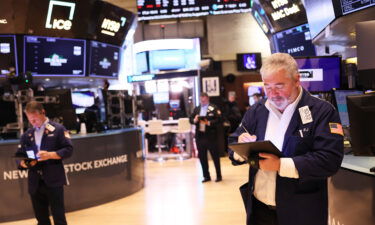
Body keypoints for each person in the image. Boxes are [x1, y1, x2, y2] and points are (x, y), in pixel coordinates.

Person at [229, 53, 344, 225]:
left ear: (297, 80)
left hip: (302, 211)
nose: (272, 94)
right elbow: (234, 140)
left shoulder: (322, 111)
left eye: (279, 86)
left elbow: (329, 160)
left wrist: (280, 165)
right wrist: (241, 148)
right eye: (267, 86)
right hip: (259, 209)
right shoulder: (258, 110)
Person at [15, 101, 73, 225]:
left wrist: (50, 155)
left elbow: (68, 150)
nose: (33, 122)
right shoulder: (27, 135)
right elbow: (19, 155)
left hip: (53, 179)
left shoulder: (58, 129)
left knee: (59, 217)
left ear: (43, 113)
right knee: (41, 219)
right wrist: (23, 163)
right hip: (35, 182)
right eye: (30, 120)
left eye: (35, 119)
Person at [190, 92, 223, 182]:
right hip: (200, 136)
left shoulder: (214, 108)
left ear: (208, 98)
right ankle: (206, 176)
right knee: (202, 157)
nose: (202, 100)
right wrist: (195, 119)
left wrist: (209, 123)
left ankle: (219, 175)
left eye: (204, 98)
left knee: (215, 157)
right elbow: (191, 119)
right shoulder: (197, 109)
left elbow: (219, 119)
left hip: (211, 136)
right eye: (201, 98)